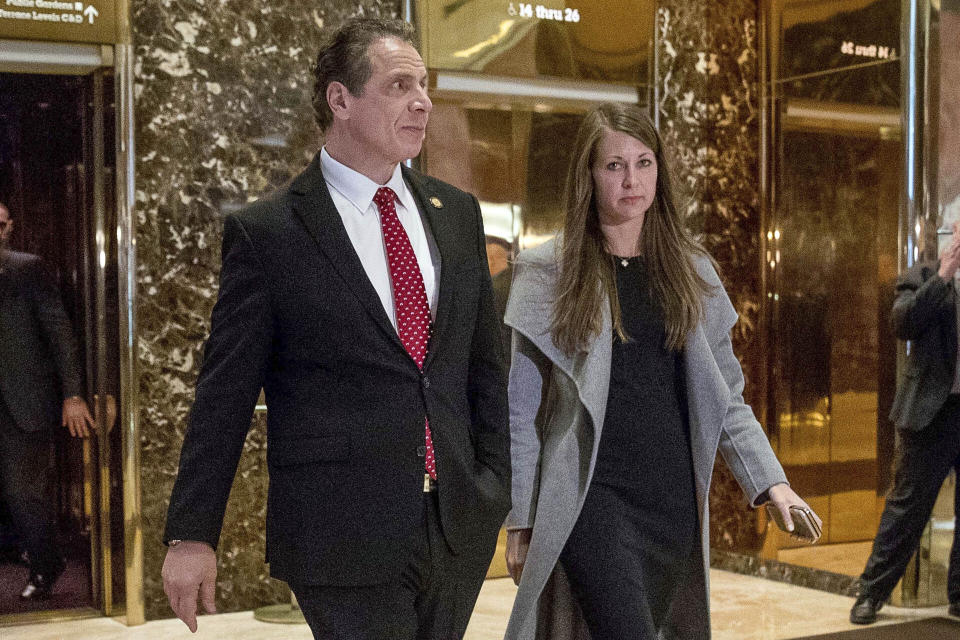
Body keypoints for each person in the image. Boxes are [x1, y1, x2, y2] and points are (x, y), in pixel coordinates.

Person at [161, 17, 511, 640]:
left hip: (456, 522)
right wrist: (193, 534)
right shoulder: (270, 235)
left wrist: (494, 488)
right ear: (340, 100)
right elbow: (224, 396)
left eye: (424, 85)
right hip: (338, 531)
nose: (423, 101)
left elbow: (484, 370)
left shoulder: (455, 215)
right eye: (400, 85)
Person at [501, 103, 818, 639]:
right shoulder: (548, 272)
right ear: (588, 176)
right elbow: (523, 411)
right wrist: (522, 519)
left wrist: (771, 482)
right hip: (589, 497)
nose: (631, 180)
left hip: (670, 498)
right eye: (614, 166)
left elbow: (727, 395)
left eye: (644, 163)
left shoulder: (691, 270)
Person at [849, 220, 960, 624]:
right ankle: (871, 592)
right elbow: (903, 324)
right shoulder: (923, 276)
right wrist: (945, 274)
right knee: (907, 509)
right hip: (933, 413)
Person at [0, 201, 95, 599]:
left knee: (25, 492)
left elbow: (59, 333)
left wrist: (73, 393)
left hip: (21, 402)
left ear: (8, 228)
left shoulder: (26, 269)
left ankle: (46, 563)